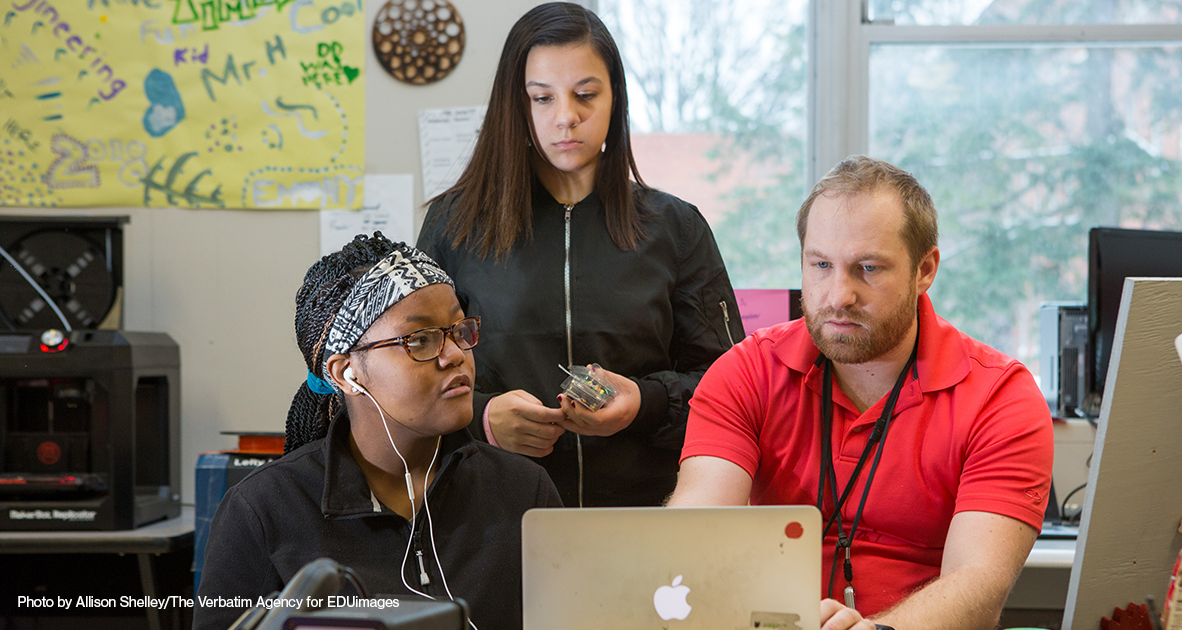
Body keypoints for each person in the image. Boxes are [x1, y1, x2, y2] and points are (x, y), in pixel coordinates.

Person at [668, 156, 1054, 630]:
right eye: (821, 265)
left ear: (925, 269)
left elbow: (978, 583)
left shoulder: (1000, 396)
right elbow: (695, 533)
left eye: (867, 268)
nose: (837, 295)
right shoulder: (747, 371)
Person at [417, 2, 743, 507]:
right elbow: (414, 374)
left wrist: (644, 402)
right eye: (542, 98)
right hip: (492, 515)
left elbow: (731, 389)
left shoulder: (675, 229)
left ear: (616, 99)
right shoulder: (455, 226)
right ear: (516, 105)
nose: (566, 117)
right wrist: (482, 418)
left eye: (586, 95)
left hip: (643, 516)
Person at [194, 234, 562, 630]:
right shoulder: (265, 511)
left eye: (458, 330)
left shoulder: (523, 491)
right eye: (420, 339)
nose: (455, 353)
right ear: (345, 373)